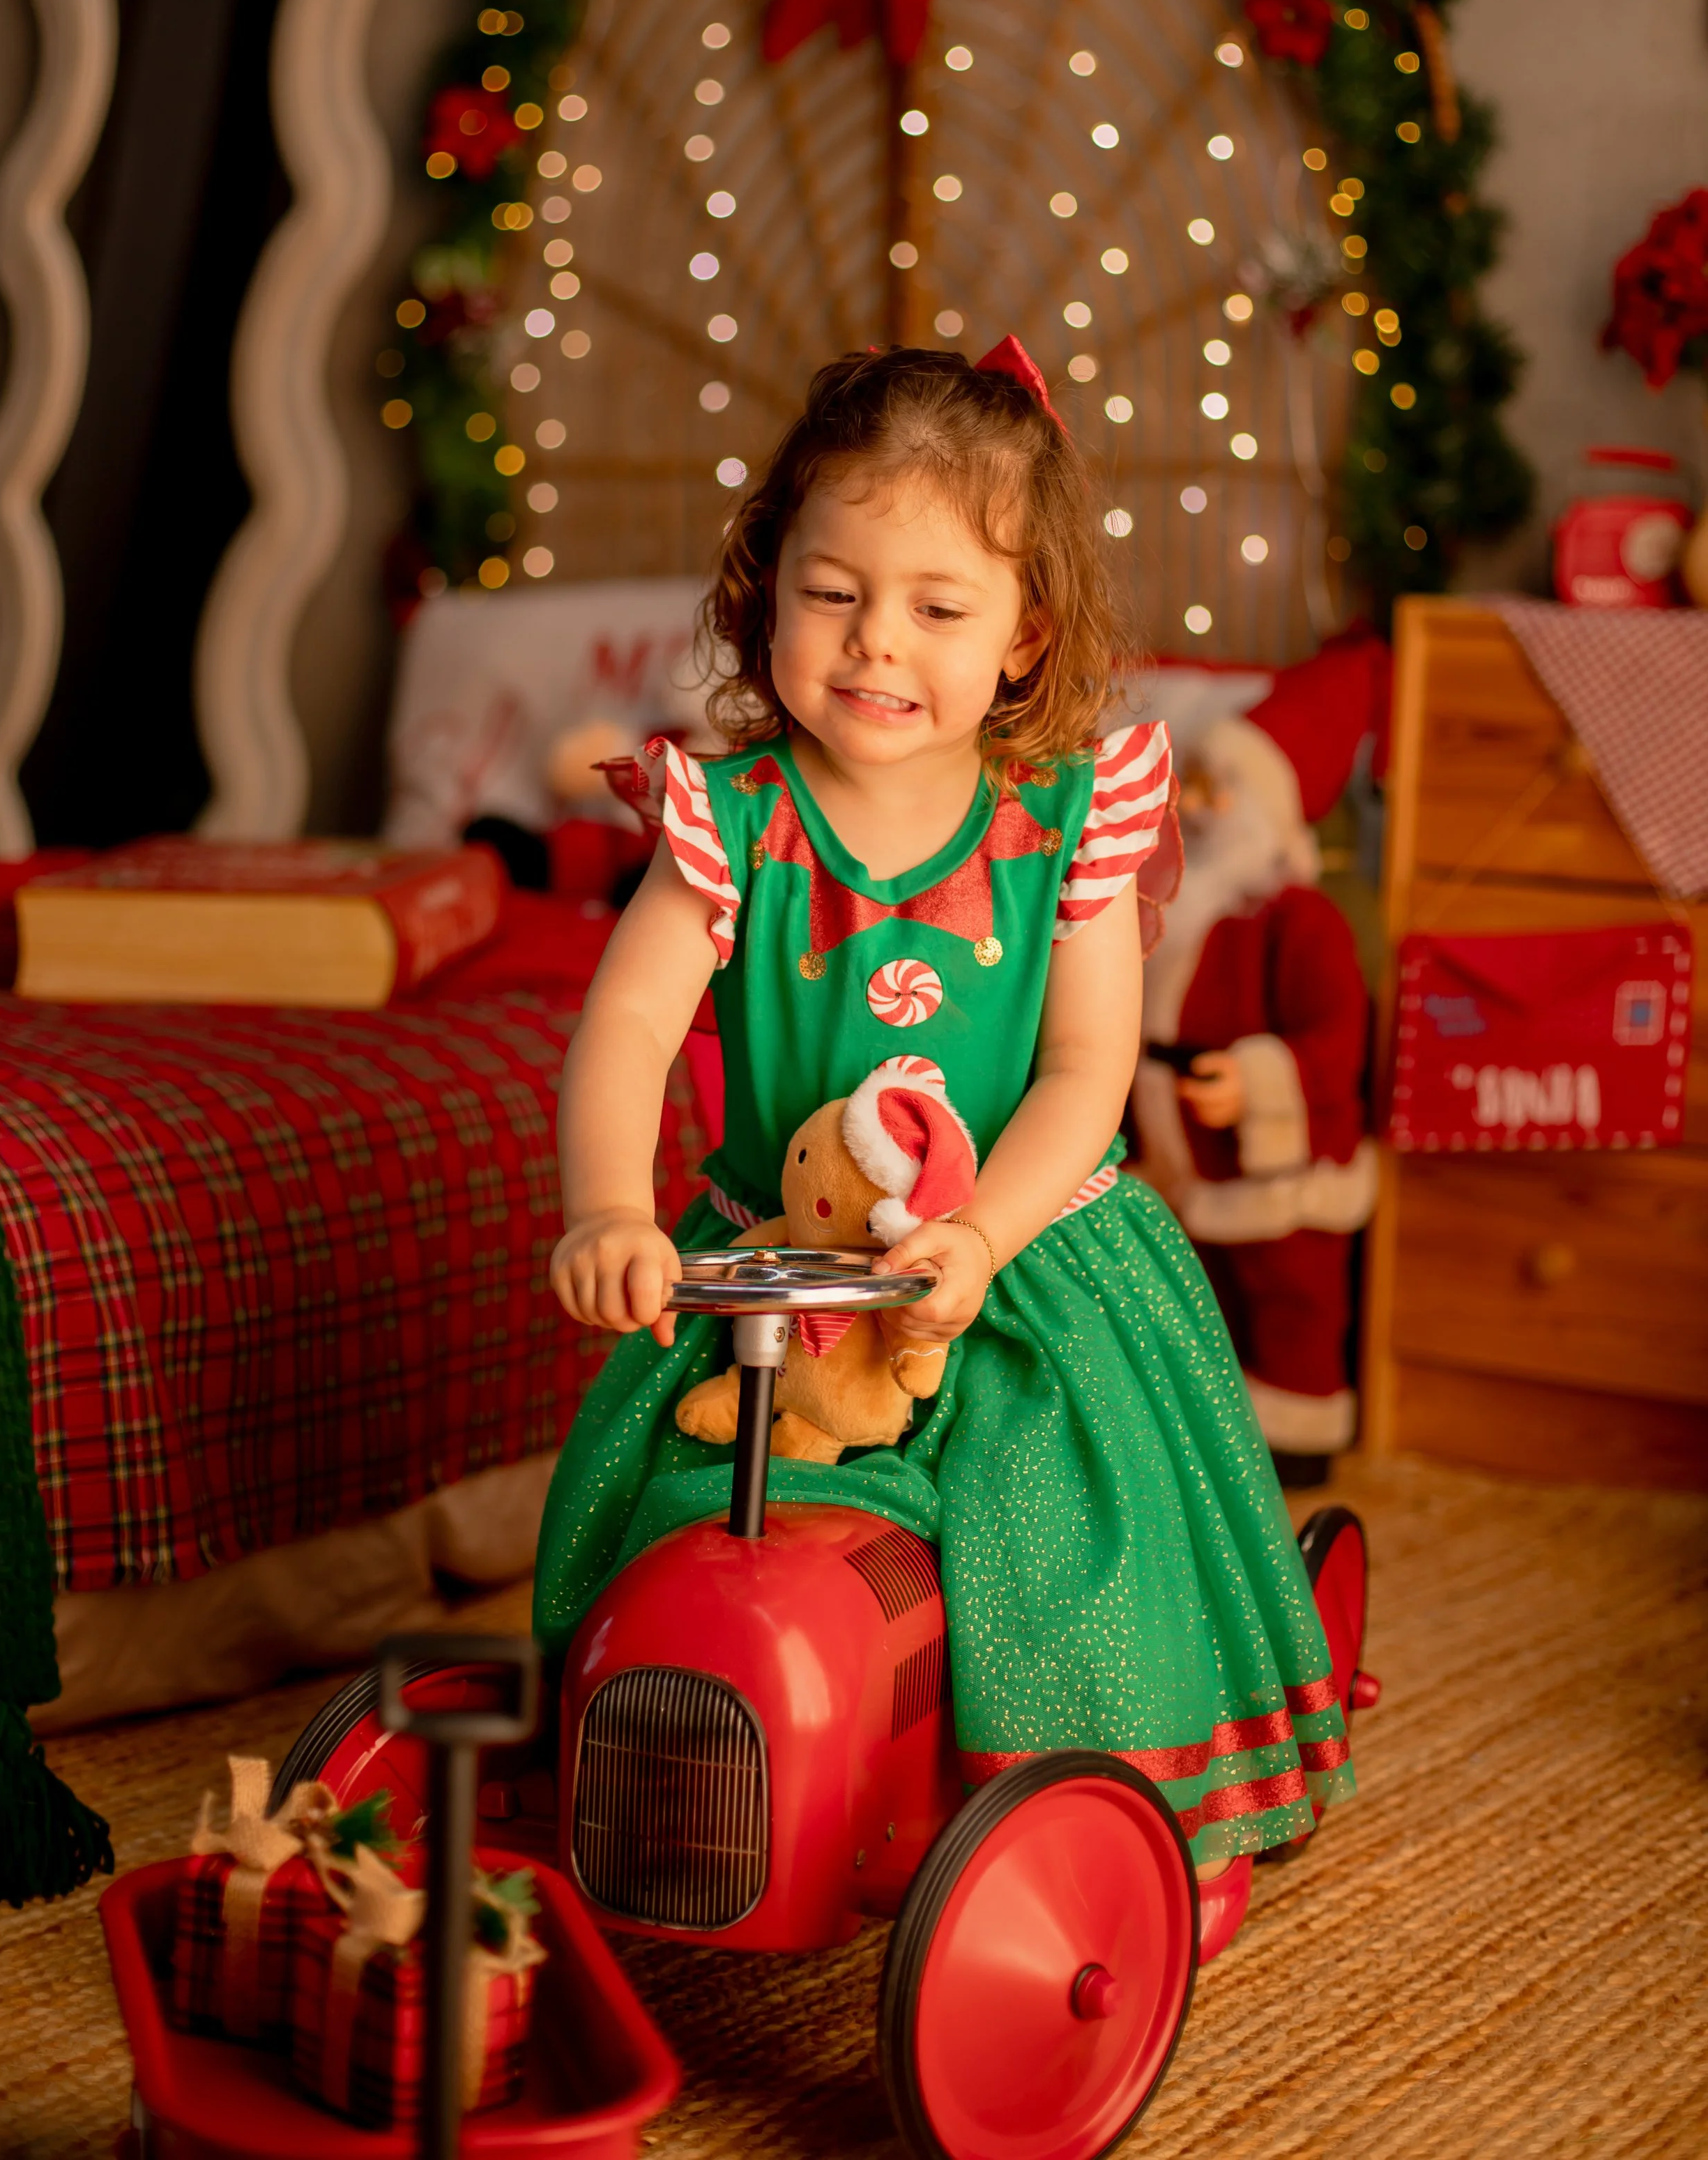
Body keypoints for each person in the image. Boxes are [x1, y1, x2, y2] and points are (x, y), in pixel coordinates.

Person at [535, 342, 1355, 1880]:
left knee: (1047, 1549)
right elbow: (629, 1025)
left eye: (936, 606)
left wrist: (979, 1232)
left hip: (1018, 1257)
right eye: (831, 592)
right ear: (765, 588)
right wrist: (608, 1209)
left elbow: (1079, 1073)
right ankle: (707, 1793)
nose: (873, 647)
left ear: (1024, 632)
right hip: (780, 1267)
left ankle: (1069, 1836)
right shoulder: (728, 821)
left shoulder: (1067, 820)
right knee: (688, 1518)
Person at [1130, 642, 1383, 1486]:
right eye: (1189, 788)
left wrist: (1256, 1081)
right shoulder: (1180, 914)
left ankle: (1297, 1433)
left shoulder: (1300, 923)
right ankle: (1218, 1432)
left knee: (1290, 1301)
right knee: (1213, 1305)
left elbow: (1333, 1037)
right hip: (1190, 1165)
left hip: (1275, 1167)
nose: (1198, 809)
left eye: (1218, 790)